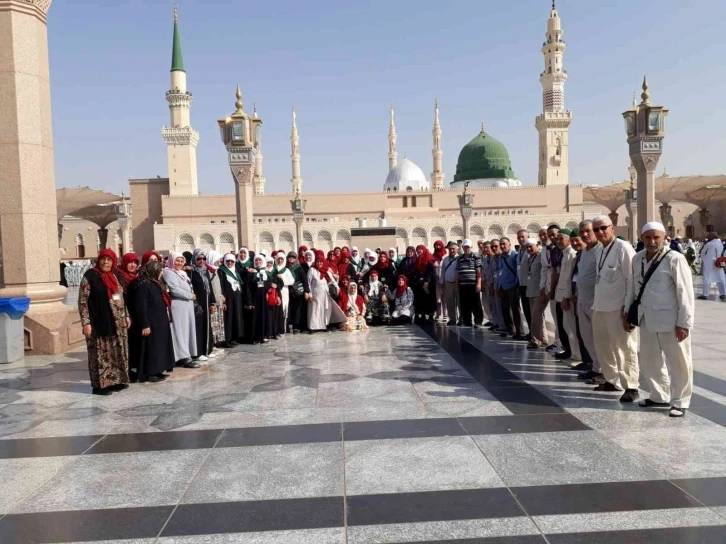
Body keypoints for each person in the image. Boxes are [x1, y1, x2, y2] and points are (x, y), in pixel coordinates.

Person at [625, 221, 695, 417]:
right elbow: (632, 287)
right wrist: (627, 313)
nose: (652, 241)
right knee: (650, 359)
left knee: (678, 361)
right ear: (641, 238)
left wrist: (684, 322)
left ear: (664, 238)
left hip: (671, 320)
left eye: (656, 237)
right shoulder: (637, 258)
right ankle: (659, 395)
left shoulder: (675, 258)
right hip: (646, 318)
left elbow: (685, 292)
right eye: (648, 237)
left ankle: (680, 401)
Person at [591, 215, 639, 402]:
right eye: (596, 229)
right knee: (603, 346)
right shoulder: (599, 250)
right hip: (600, 306)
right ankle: (612, 380)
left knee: (624, 348)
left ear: (612, 228)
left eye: (603, 228)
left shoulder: (623, 248)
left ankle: (631, 385)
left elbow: (631, 279)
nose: (600, 232)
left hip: (618, 308)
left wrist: (627, 309)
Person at [78, 248, 130, 395]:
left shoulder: (113, 276)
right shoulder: (90, 276)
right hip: (98, 321)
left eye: (109, 260)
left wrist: (126, 315)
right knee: (100, 353)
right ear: (99, 259)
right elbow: (83, 301)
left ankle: (114, 381)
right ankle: (100, 385)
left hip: (116, 322)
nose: (106, 262)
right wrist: (86, 322)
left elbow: (121, 298)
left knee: (115, 352)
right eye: (103, 259)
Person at [130, 260, 175, 383]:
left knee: (159, 347)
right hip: (151, 323)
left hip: (160, 321)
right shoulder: (143, 285)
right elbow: (141, 306)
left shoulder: (155, 283)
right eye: (159, 271)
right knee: (151, 348)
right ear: (152, 270)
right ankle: (149, 373)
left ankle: (158, 370)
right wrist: (145, 324)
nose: (161, 273)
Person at [575, 220, 604, 384]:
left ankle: (604, 371)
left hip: (596, 302)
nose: (585, 235)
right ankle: (595, 367)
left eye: (588, 231)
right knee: (587, 337)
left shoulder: (601, 250)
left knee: (599, 338)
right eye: (582, 232)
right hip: (583, 300)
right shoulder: (585, 251)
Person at [163, 251, 199, 368]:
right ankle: (183, 356)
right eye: (177, 261)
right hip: (178, 305)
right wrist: (189, 295)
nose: (179, 263)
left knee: (187, 330)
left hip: (187, 305)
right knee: (180, 331)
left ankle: (187, 353)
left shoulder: (182, 273)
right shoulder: (169, 272)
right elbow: (173, 289)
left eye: (181, 261)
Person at [553, 229, 581, 362]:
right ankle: (571, 351)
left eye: (561, 239)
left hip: (567, 297)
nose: (558, 241)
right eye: (557, 239)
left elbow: (570, 278)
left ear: (568, 239)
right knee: (566, 326)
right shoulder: (565, 253)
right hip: (562, 294)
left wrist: (566, 297)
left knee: (571, 327)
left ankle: (577, 355)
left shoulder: (571, 253)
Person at [307, 250, 346, 332]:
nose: (319, 263)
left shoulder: (327, 271)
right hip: (315, 293)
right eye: (318, 262)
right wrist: (309, 293)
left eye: (321, 262)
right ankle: (313, 327)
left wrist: (337, 288)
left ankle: (323, 326)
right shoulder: (312, 270)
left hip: (325, 293)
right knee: (315, 310)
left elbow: (333, 281)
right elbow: (308, 283)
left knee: (325, 309)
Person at [189, 249, 215, 362]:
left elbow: (209, 287)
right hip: (197, 303)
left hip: (206, 301)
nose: (201, 261)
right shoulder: (191, 272)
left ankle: (207, 350)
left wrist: (212, 302)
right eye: (199, 259)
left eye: (204, 259)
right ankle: (198, 353)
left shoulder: (205, 271)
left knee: (206, 325)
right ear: (195, 259)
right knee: (198, 327)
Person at [540, 226, 563, 353]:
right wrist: (543, 286)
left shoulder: (563, 250)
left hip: (561, 288)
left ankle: (563, 344)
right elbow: (545, 269)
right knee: (555, 316)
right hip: (551, 285)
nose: (552, 237)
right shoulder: (547, 250)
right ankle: (558, 342)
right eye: (550, 235)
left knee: (563, 319)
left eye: (554, 234)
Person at [498, 237, 525, 340]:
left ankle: (520, 331)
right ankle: (510, 329)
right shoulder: (501, 257)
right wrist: (499, 285)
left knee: (515, 309)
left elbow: (518, 271)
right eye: (501, 244)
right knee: (505, 308)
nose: (502, 246)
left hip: (512, 286)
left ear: (509, 244)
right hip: (503, 286)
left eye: (504, 244)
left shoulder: (514, 256)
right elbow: (500, 270)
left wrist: (517, 284)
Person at [525, 239, 548, 350]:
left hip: (539, 291)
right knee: (538, 316)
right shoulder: (530, 258)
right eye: (527, 247)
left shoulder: (541, 256)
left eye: (531, 246)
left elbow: (546, 271)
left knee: (535, 316)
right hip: (531, 290)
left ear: (537, 245)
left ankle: (535, 340)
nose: (529, 249)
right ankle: (543, 339)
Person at [217, 253, 244, 346]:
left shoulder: (235, 271)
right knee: (228, 317)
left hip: (236, 297)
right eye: (228, 261)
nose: (229, 263)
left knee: (236, 316)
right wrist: (223, 299)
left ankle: (234, 337)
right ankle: (227, 339)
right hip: (228, 298)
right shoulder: (222, 271)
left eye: (232, 261)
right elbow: (221, 285)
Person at [456, 239, 483, 328]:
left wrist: (478, 284)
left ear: (471, 247)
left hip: (473, 284)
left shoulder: (476, 257)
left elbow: (478, 271)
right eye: (465, 247)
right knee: (464, 304)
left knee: (476, 303)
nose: (467, 248)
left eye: (468, 247)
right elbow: (457, 272)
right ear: (463, 247)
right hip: (463, 285)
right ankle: (467, 321)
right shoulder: (460, 258)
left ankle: (478, 321)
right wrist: (457, 284)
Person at [246, 255, 273, 344]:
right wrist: (249, 301)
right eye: (256, 260)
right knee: (255, 318)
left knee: (264, 317)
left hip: (264, 299)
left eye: (260, 260)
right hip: (255, 299)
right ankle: (255, 337)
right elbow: (248, 288)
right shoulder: (251, 273)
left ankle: (264, 335)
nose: (258, 262)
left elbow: (270, 285)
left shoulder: (267, 273)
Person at [204, 250, 226, 351]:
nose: (219, 262)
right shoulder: (207, 271)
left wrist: (221, 296)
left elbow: (218, 286)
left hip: (218, 301)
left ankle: (216, 344)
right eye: (217, 260)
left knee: (218, 324)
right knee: (213, 324)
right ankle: (212, 345)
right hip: (213, 302)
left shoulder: (215, 270)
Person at [409, 245, 436, 323]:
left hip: (429, 283)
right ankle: (421, 314)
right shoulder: (417, 260)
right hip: (419, 283)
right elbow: (416, 271)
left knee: (429, 300)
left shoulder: (429, 259)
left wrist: (427, 281)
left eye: (420, 250)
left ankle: (431, 315)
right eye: (418, 250)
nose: (419, 251)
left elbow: (430, 272)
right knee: (420, 299)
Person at [698, 232, 726, 300]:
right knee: (721, 279)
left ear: (711, 237)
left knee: (707, 278)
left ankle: (705, 294)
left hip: (709, 264)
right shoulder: (720, 243)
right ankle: (723, 294)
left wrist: (705, 259)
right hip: (719, 263)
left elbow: (702, 253)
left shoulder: (709, 244)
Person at [273, 252, 296, 334]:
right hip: (275, 292)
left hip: (284, 292)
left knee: (284, 309)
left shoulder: (286, 270)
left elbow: (292, 281)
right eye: (278, 259)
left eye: (282, 259)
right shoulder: (273, 268)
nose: (280, 261)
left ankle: (283, 328)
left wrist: (282, 278)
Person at [286, 251, 308, 334]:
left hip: (297, 292)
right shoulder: (285, 268)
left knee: (297, 310)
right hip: (288, 291)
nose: (291, 259)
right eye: (290, 257)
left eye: (293, 257)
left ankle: (296, 327)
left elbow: (304, 280)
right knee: (288, 310)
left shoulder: (299, 268)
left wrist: (307, 291)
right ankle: (287, 326)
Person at [516, 230, 532, 337]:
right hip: (522, 284)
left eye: (523, 237)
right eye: (519, 237)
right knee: (526, 310)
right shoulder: (520, 251)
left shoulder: (530, 250)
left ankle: (536, 335)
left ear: (528, 237)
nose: (521, 239)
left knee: (532, 311)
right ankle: (531, 332)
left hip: (530, 285)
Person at [440, 241, 459, 326]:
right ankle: (452, 319)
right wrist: (442, 282)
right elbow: (443, 271)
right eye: (450, 249)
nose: (452, 250)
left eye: (453, 249)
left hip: (458, 283)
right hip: (448, 283)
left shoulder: (460, 258)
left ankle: (461, 319)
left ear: (457, 249)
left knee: (459, 302)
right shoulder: (445, 259)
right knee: (450, 302)